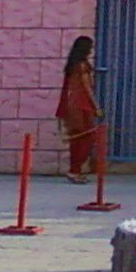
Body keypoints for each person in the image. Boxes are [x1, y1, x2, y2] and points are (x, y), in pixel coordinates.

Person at [55, 36, 101, 184]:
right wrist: (97, 107)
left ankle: (75, 170)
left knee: (77, 140)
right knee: (86, 138)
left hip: (71, 106)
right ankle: (75, 170)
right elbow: (87, 88)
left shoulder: (72, 65)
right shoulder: (82, 66)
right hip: (81, 106)